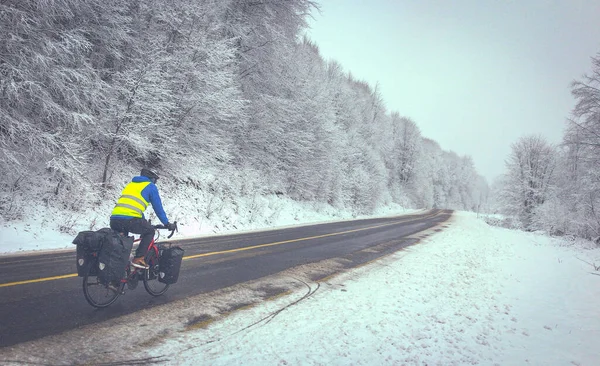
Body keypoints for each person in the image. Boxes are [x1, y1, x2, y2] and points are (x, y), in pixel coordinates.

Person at [110, 168, 175, 269]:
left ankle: (118, 276)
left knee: (123, 245)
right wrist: (166, 223)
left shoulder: (130, 185)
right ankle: (139, 258)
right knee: (149, 231)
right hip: (129, 220)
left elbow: (133, 206)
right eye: (155, 180)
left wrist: (143, 220)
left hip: (114, 219)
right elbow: (158, 208)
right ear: (152, 179)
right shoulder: (150, 186)